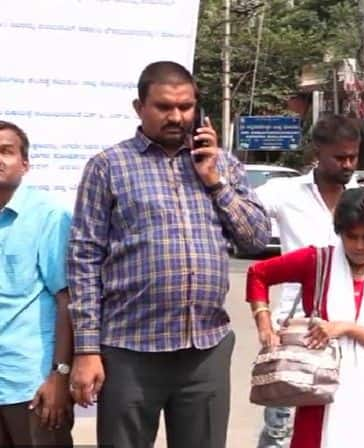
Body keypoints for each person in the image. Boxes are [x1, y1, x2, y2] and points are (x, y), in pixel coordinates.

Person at [68, 61, 271, 448]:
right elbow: (83, 260)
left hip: (205, 348)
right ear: (138, 107)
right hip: (130, 349)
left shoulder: (221, 165)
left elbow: (256, 240)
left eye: (186, 106)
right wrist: (87, 349)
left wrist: (214, 181)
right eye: (164, 106)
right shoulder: (108, 167)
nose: (177, 116)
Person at [246, 188, 364, 448]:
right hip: (320, 393)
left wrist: (347, 329)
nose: (359, 246)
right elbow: (258, 274)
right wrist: (265, 325)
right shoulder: (317, 261)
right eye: (351, 236)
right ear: (340, 232)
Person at [253, 114, 361, 448]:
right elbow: (238, 211)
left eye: (353, 157)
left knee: (336, 429)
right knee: (279, 432)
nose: (347, 164)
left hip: (346, 330)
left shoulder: (361, 199)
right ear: (318, 151)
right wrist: (264, 322)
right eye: (339, 157)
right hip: (294, 331)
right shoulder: (284, 192)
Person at [0, 121, 73, 446]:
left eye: (6, 151)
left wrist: (59, 376)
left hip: (30, 384)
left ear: (25, 163)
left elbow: (68, 301)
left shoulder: (48, 217)